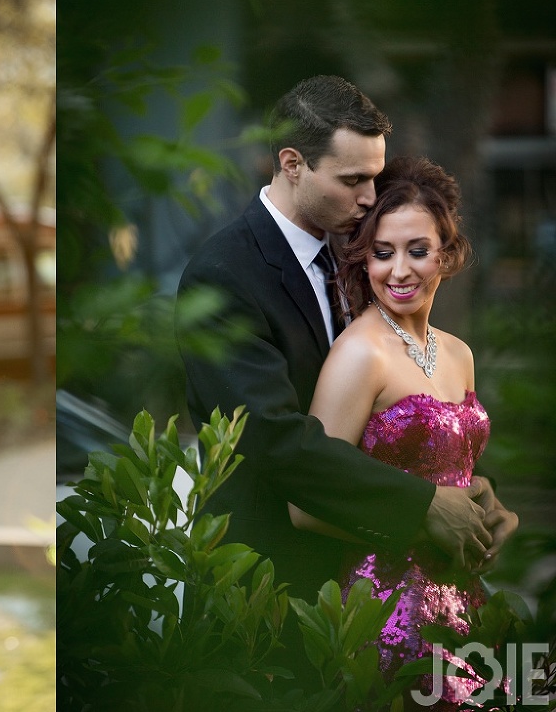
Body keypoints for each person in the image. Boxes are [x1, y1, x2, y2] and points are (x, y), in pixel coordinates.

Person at [176, 75, 515, 602]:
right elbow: (272, 439)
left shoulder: (361, 251)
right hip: (267, 589)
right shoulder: (224, 276)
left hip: (367, 579)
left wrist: (459, 486)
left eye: (375, 178)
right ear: (293, 164)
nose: (369, 197)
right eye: (353, 179)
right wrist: (424, 504)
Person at [290, 156, 518, 707]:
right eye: (382, 253)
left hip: (464, 597)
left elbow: (450, 467)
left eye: (417, 250)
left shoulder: (458, 354)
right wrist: (426, 524)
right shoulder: (358, 355)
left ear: (447, 250)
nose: (399, 272)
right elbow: (306, 503)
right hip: (388, 609)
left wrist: (486, 508)